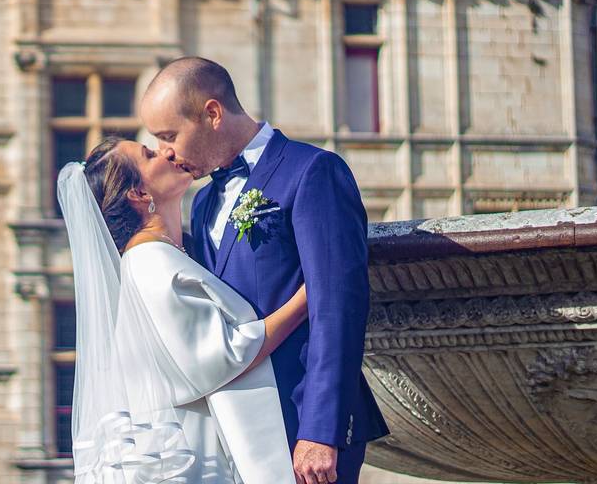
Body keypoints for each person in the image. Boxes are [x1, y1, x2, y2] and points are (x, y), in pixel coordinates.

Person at [139, 57, 390, 484]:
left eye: (169, 136)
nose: (166, 152)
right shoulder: (202, 204)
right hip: (243, 430)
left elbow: (337, 308)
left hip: (303, 428)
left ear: (212, 114)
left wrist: (319, 430)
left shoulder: (312, 172)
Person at [58, 135, 310, 483]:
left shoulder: (171, 254)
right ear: (139, 194)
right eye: (149, 154)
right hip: (197, 460)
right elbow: (222, 354)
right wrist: (308, 295)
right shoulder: (149, 262)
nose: (166, 151)